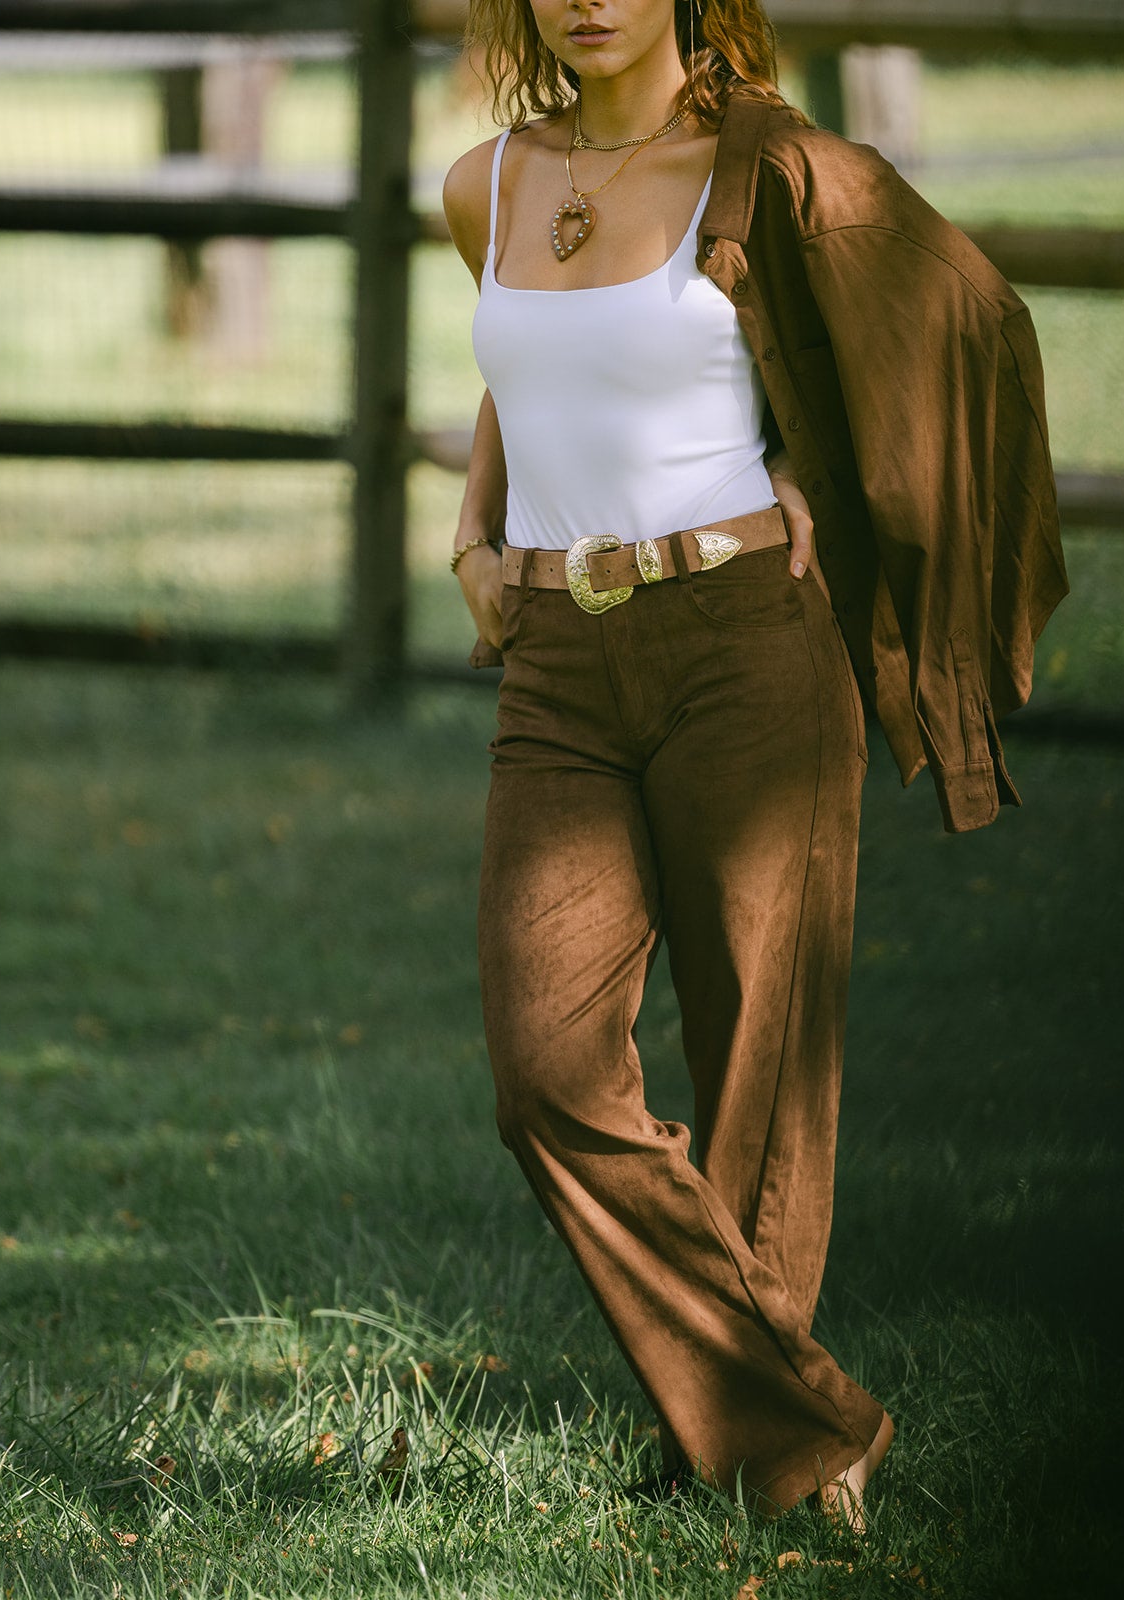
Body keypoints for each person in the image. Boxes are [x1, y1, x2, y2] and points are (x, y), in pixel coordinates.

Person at [442, 0, 1066, 1526]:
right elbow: (527, 366)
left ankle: (748, 1462)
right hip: (561, 657)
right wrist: (471, 531)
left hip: (745, 639)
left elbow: (954, 307)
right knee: (546, 1070)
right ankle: (806, 1421)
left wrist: (811, 467)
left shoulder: (772, 169)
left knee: (755, 1072)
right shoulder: (486, 183)